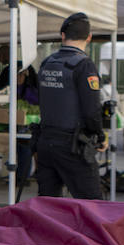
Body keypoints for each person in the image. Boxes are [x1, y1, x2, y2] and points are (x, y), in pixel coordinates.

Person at [35, 13, 104, 200]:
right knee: (93, 204)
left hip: (46, 141)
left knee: (48, 203)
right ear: (89, 38)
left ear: (62, 35)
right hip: (73, 145)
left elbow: (40, 98)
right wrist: (100, 135)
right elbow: (91, 110)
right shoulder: (84, 65)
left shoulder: (47, 63)